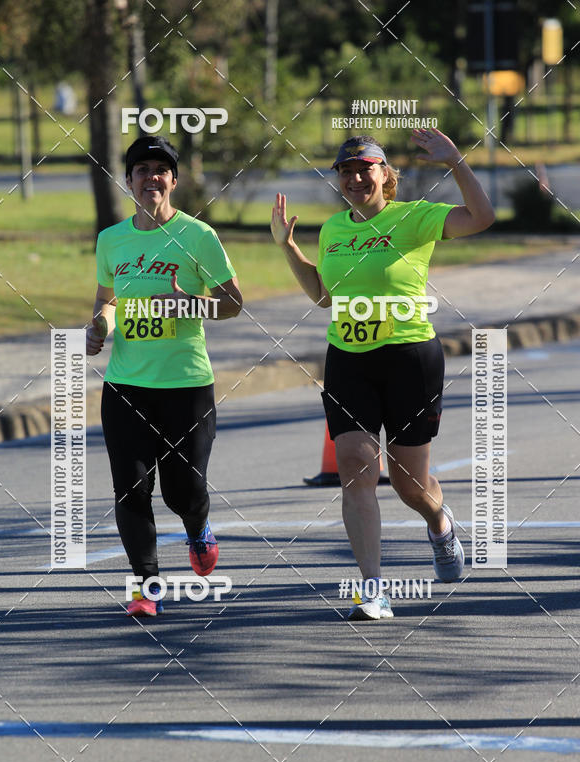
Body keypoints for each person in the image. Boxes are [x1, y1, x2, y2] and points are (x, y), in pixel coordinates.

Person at [271, 129, 494, 621]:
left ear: (385, 174)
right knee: (356, 468)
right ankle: (373, 589)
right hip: (348, 359)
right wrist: (288, 249)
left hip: (409, 359)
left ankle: (440, 523)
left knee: (409, 483)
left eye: (365, 169)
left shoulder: (414, 217)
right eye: (346, 171)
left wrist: (455, 161)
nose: (355, 178)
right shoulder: (333, 229)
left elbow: (481, 217)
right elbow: (324, 296)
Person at [87, 135, 242, 617]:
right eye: (141, 170)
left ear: (173, 181)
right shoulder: (111, 240)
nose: (150, 178)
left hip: (186, 386)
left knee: (183, 492)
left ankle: (197, 528)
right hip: (126, 385)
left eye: (160, 170)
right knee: (131, 489)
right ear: (128, 180)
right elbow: (108, 299)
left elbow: (233, 303)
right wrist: (99, 326)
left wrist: (188, 303)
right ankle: (145, 587)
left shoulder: (198, 236)